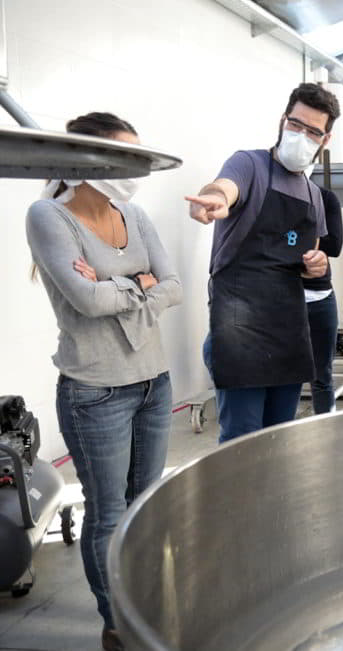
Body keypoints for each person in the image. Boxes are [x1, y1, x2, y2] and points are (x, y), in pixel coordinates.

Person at [25, 112, 182, 651]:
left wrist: (119, 284)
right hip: (95, 391)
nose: (134, 170)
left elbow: (175, 286)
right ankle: (118, 625)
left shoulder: (133, 214)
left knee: (146, 503)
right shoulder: (48, 215)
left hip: (153, 381)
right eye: (125, 157)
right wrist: (138, 283)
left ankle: (145, 607)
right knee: (109, 513)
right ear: (88, 159)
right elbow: (85, 301)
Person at [187, 83, 337, 442]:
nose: (302, 136)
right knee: (241, 442)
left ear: (325, 139)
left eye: (313, 131)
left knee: (279, 441)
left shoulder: (314, 196)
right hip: (239, 330)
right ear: (283, 120)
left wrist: (316, 265)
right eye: (296, 125)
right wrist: (214, 199)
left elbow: (310, 256)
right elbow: (225, 186)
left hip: (287, 331)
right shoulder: (249, 164)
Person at [304, 186, 343, 414]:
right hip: (280, 298)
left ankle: (328, 430)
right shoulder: (269, 197)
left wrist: (292, 242)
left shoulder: (324, 197)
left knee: (322, 375)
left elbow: (334, 245)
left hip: (320, 297)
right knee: (281, 378)